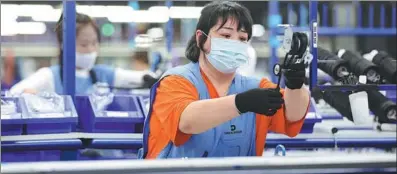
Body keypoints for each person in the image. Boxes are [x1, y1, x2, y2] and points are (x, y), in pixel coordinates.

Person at [139, 1, 310, 159]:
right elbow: (186, 121)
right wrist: (241, 103)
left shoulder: (255, 86)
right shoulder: (174, 81)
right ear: (201, 39)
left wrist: (295, 85)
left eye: (242, 38)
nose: (235, 43)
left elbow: (292, 115)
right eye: (226, 36)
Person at [10, 13, 157, 95]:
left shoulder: (102, 74)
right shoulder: (49, 76)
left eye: (95, 43)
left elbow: (140, 77)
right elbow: (14, 93)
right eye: (84, 44)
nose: (91, 50)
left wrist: (152, 77)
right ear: (64, 45)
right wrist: (34, 96)